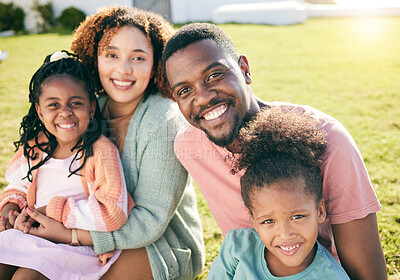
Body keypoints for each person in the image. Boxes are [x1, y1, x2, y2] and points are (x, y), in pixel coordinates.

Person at [162, 22, 387, 279]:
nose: (202, 97)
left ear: (244, 69)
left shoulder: (329, 141)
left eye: (214, 75)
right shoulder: (190, 147)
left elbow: (369, 274)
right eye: (185, 90)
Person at [1, 7, 205, 280]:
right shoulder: (85, 108)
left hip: (155, 244)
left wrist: (73, 235)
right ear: (94, 57)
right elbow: (35, 171)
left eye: (138, 57)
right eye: (111, 55)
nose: (124, 69)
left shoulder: (163, 121)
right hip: (78, 228)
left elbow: (149, 223)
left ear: (156, 62)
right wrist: (15, 210)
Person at [0, 50, 132, 279]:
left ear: (91, 108)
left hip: (76, 244)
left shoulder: (101, 151)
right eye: (53, 105)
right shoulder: (34, 147)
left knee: (26, 277)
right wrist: (10, 211)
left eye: (75, 103)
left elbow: (113, 213)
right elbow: (17, 187)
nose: (65, 113)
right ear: (39, 111)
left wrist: (51, 212)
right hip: (31, 234)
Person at [208, 107, 350, 279]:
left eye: (297, 217)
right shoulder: (238, 246)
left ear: (320, 211)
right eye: (268, 221)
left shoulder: (331, 276)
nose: (285, 234)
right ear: (253, 220)